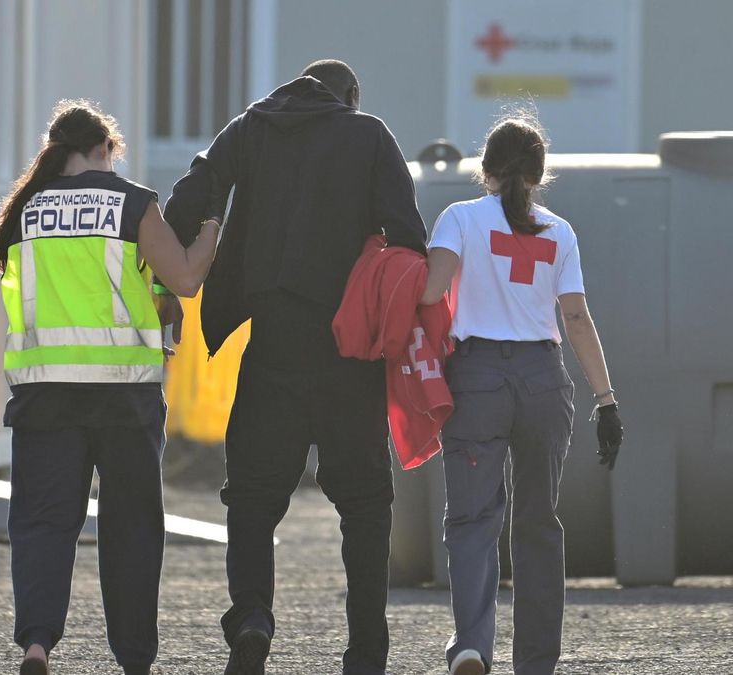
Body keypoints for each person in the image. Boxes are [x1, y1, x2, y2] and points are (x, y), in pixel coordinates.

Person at [164, 60, 428, 675]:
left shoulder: (249, 129)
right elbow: (408, 238)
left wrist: (169, 277)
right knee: (365, 505)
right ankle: (366, 653)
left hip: (272, 345)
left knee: (251, 500)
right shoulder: (368, 135)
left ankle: (251, 619)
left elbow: (191, 193)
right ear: (350, 97)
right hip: (348, 352)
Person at [0, 100, 221, 675]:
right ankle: (134, 660)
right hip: (124, 395)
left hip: (44, 394)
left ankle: (37, 644)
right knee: (131, 528)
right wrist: (213, 226)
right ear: (105, 149)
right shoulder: (131, 202)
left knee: (42, 523)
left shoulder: (24, 210)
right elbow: (186, 277)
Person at [419, 117, 625, 675]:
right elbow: (576, 318)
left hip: (477, 379)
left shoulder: (459, 218)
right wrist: (606, 399)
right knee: (538, 522)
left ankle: (471, 645)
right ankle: (536, 663)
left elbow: (431, 292)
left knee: (472, 519)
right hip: (542, 382)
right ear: (539, 175)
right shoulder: (560, 232)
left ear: (485, 170)